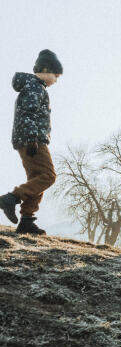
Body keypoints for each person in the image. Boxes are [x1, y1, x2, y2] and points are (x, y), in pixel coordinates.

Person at [0, 49, 63, 235]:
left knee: (37, 178)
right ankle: (11, 198)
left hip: (28, 138)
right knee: (48, 176)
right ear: (45, 69)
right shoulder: (35, 87)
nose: (56, 80)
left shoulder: (32, 87)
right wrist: (33, 138)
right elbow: (28, 114)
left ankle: (27, 221)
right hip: (32, 140)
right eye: (56, 75)